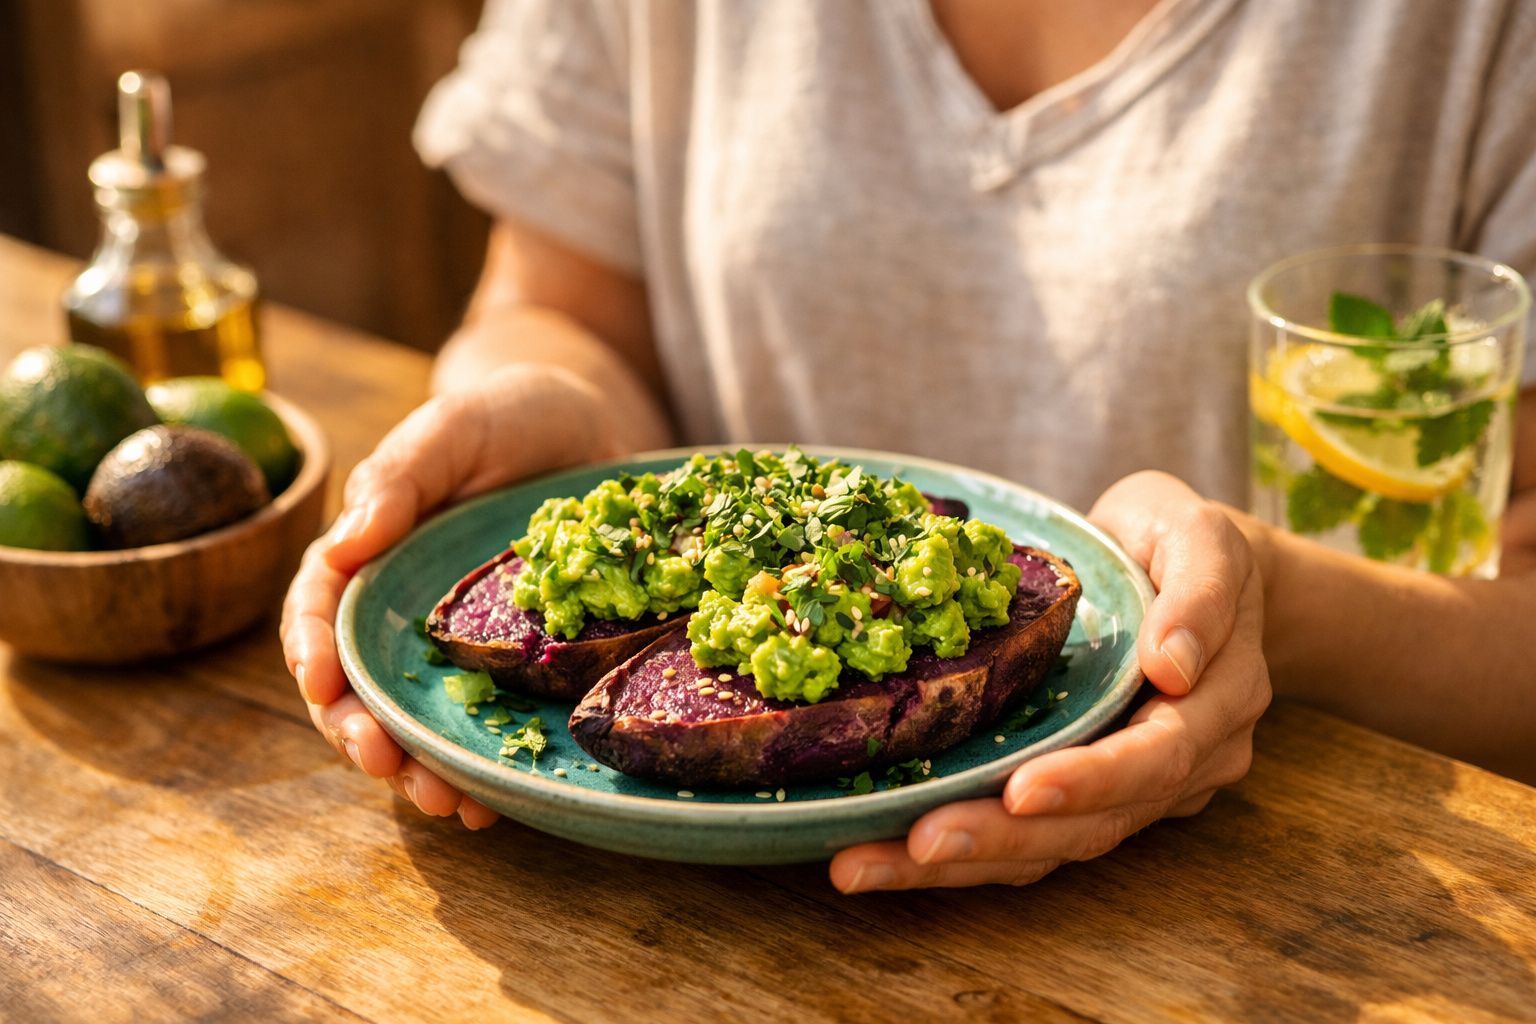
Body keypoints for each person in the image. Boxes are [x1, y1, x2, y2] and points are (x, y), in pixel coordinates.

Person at [282, 0, 1536, 892]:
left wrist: (1271, 601)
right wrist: (554, 409)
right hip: (632, 902)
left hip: (1288, 886)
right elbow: (555, 303)